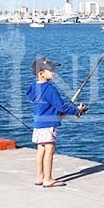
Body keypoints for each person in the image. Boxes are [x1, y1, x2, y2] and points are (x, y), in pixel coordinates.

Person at [27, 57, 87, 188]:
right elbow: (61, 107)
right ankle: (48, 179)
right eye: (50, 69)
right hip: (48, 125)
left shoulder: (34, 87)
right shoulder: (50, 89)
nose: (54, 72)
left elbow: (45, 104)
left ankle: (40, 177)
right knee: (50, 149)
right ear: (41, 73)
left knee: (40, 150)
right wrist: (76, 110)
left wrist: (59, 111)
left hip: (38, 123)